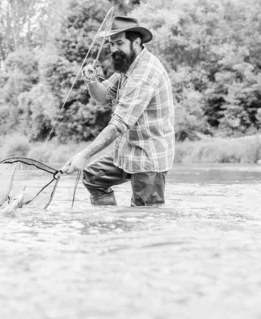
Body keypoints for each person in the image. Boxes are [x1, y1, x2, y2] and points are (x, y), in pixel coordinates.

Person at [61, 16, 175, 206]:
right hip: (127, 150)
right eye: (111, 44)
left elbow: (118, 124)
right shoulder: (126, 65)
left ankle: (130, 232)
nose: (114, 49)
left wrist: (84, 154)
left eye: (120, 43)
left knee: (144, 218)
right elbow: (103, 97)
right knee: (93, 178)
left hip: (149, 157)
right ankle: (110, 227)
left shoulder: (144, 73)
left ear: (136, 42)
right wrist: (92, 81)